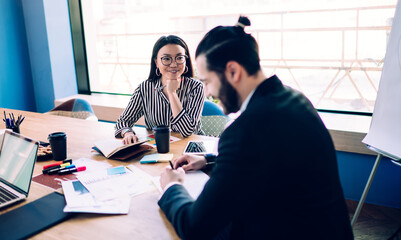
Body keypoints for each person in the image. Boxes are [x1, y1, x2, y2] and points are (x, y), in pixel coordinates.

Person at [158, 16, 354, 239]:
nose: (208, 92)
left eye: (207, 81)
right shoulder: (293, 99)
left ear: (233, 71)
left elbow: (195, 227)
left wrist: (172, 187)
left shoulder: (245, 132)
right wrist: (208, 160)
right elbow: (271, 157)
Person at [115, 35, 205, 144]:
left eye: (179, 58)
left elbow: (187, 131)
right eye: (166, 59)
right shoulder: (144, 88)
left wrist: (172, 93)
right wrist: (127, 133)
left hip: (191, 149)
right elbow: (123, 122)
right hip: (157, 149)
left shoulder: (196, 87)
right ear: (156, 62)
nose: (173, 64)